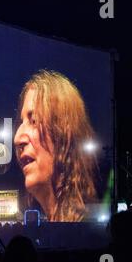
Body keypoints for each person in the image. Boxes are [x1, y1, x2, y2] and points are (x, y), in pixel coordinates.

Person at [14, 70, 98, 222]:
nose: (17, 138)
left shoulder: (85, 227)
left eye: (34, 121)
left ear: (64, 134)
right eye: (21, 122)